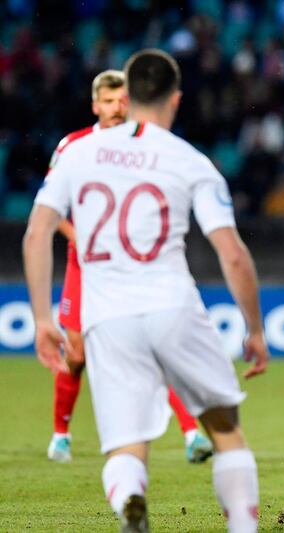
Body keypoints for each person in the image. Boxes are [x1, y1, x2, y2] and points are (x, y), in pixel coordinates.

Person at [24, 49, 268, 533]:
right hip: (172, 305)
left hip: (106, 317)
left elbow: (36, 234)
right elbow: (234, 254)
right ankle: (243, 527)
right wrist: (255, 329)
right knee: (224, 428)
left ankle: (132, 497)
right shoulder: (189, 160)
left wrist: (43, 320)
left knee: (126, 445)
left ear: (127, 94)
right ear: (175, 99)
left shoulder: (77, 153)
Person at [46, 69, 214, 465]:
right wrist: (81, 236)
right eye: (108, 101)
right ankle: (61, 435)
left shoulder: (147, 145)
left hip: (137, 265)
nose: (116, 108)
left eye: (123, 100)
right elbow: (51, 210)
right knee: (76, 355)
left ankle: (191, 434)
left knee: (157, 345)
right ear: (95, 105)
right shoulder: (73, 146)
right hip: (85, 267)